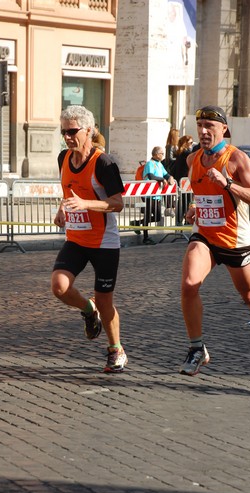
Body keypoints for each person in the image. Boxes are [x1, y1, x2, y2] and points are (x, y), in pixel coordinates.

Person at [180, 105, 250, 376]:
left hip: (236, 240)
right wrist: (196, 208)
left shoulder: (237, 160)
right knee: (189, 284)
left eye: (210, 125)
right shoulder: (193, 160)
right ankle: (196, 348)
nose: (204, 130)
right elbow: (204, 194)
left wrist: (228, 184)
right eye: (200, 125)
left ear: (224, 129)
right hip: (206, 236)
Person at [51, 105, 127, 373]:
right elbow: (68, 191)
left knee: (106, 300)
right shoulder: (63, 158)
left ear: (89, 130)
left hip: (104, 242)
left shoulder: (103, 163)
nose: (68, 137)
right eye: (64, 132)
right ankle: (87, 309)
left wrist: (87, 203)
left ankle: (115, 349)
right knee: (59, 286)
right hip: (76, 239)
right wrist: (62, 209)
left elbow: (118, 203)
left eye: (72, 131)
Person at [130, 146, 173, 245]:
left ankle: (137, 223)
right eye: (162, 153)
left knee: (157, 217)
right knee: (148, 215)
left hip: (157, 194)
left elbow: (165, 174)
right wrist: (161, 179)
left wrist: (169, 177)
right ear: (156, 154)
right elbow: (150, 176)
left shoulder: (159, 164)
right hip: (149, 194)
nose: (163, 155)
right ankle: (146, 237)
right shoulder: (150, 164)